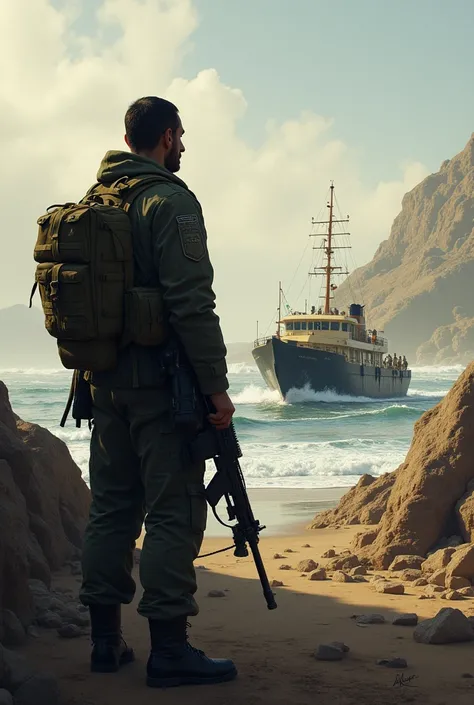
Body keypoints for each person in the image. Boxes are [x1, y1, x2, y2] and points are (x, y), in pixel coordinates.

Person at [79, 97, 237, 688]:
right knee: (174, 510)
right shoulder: (168, 201)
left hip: (102, 384)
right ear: (168, 137)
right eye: (182, 136)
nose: (184, 146)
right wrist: (216, 388)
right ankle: (169, 650)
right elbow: (192, 302)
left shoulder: (97, 200)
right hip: (162, 388)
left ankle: (104, 643)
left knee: (113, 507)